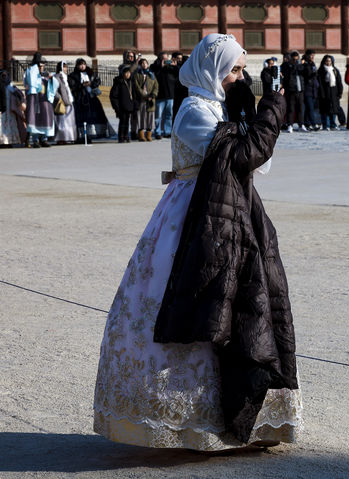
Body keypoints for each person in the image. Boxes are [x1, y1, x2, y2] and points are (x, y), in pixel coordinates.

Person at [93, 32, 301, 452]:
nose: (239, 78)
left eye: (241, 69)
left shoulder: (221, 107)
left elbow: (260, 163)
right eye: (233, 70)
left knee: (244, 303)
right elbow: (242, 155)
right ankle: (189, 423)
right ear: (212, 69)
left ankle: (248, 416)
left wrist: (248, 116)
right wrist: (267, 115)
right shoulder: (193, 110)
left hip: (232, 208)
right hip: (191, 214)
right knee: (195, 298)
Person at [68, 58, 110, 142]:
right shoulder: (73, 75)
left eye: (84, 64)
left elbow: (97, 81)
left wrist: (91, 83)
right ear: (77, 65)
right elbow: (73, 86)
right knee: (81, 117)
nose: (82, 66)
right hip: (80, 98)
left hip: (91, 98)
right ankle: (81, 136)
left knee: (94, 116)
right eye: (80, 64)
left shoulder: (90, 73)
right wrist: (82, 85)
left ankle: (92, 134)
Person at [23, 53, 55, 147]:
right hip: (35, 100)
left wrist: (51, 79)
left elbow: (53, 85)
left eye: (42, 66)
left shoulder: (45, 75)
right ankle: (35, 140)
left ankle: (44, 139)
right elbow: (28, 85)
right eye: (40, 66)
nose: (41, 67)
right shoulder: (31, 72)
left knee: (45, 119)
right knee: (35, 119)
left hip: (44, 101)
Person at [132, 58, 158, 142]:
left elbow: (156, 86)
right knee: (141, 116)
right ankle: (141, 135)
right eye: (142, 63)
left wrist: (153, 95)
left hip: (150, 100)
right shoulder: (137, 75)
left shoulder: (151, 75)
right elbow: (137, 87)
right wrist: (145, 95)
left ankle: (148, 134)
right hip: (141, 99)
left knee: (150, 117)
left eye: (145, 63)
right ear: (140, 65)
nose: (144, 65)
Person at [154, 54, 179, 139]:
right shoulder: (156, 67)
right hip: (160, 96)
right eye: (163, 58)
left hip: (170, 96)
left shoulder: (171, 68)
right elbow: (155, 76)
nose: (165, 60)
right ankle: (158, 132)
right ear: (160, 58)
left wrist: (175, 66)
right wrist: (161, 67)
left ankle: (167, 131)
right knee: (158, 116)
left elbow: (179, 74)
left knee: (169, 115)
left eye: (166, 58)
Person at [281, 50, 305, 132]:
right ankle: (290, 125)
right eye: (294, 59)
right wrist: (294, 65)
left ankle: (301, 125)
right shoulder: (286, 65)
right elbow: (287, 73)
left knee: (300, 108)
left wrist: (301, 64)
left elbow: (305, 72)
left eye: (296, 59)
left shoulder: (301, 65)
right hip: (291, 90)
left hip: (300, 90)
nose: (295, 61)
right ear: (290, 58)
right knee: (291, 108)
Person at [0, 69, 26, 147]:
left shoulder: (11, 85)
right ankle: (3, 142)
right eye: (2, 76)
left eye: (5, 75)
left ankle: (10, 141)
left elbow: (18, 94)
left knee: (10, 125)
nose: (4, 77)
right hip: (2, 109)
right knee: (2, 125)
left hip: (10, 109)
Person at [53, 61, 77, 144]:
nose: (65, 68)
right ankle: (61, 138)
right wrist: (60, 98)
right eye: (64, 67)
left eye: (66, 67)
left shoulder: (66, 77)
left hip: (69, 102)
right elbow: (54, 90)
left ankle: (69, 137)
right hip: (62, 103)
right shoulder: (56, 77)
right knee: (62, 122)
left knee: (70, 122)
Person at [110, 66, 135, 143]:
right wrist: (116, 107)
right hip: (121, 106)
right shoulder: (119, 82)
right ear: (122, 74)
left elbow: (134, 94)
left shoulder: (131, 82)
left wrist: (134, 105)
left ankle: (126, 135)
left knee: (127, 121)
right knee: (122, 121)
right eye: (126, 73)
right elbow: (113, 96)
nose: (127, 74)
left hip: (129, 105)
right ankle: (121, 136)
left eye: (129, 73)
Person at [317, 54, 342, 130]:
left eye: (330, 61)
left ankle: (333, 124)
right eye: (327, 61)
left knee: (334, 109)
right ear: (324, 61)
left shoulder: (334, 70)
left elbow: (339, 81)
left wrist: (340, 92)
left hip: (334, 90)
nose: (328, 62)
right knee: (325, 109)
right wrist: (322, 93)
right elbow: (320, 83)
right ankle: (326, 125)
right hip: (325, 91)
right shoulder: (321, 70)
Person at [302, 49, 321, 131]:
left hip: (314, 89)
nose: (312, 57)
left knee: (309, 108)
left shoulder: (312, 64)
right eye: (311, 55)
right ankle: (313, 124)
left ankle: (307, 123)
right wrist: (312, 74)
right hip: (307, 89)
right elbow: (305, 75)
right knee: (310, 108)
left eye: (313, 55)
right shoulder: (304, 64)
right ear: (307, 55)